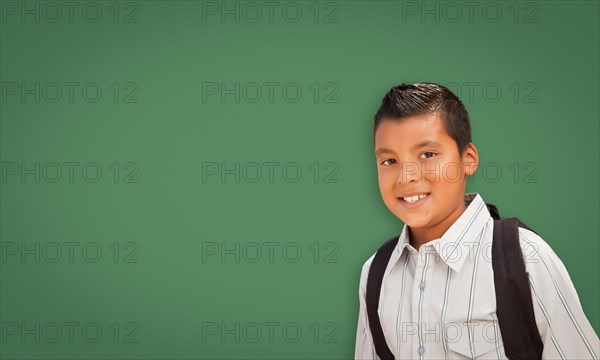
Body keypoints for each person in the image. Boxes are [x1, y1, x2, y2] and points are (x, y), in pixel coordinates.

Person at [354, 82, 600, 359]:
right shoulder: (376, 272)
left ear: (468, 159)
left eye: (427, 154)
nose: (406, 176)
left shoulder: (525, 257)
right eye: (389, 161)